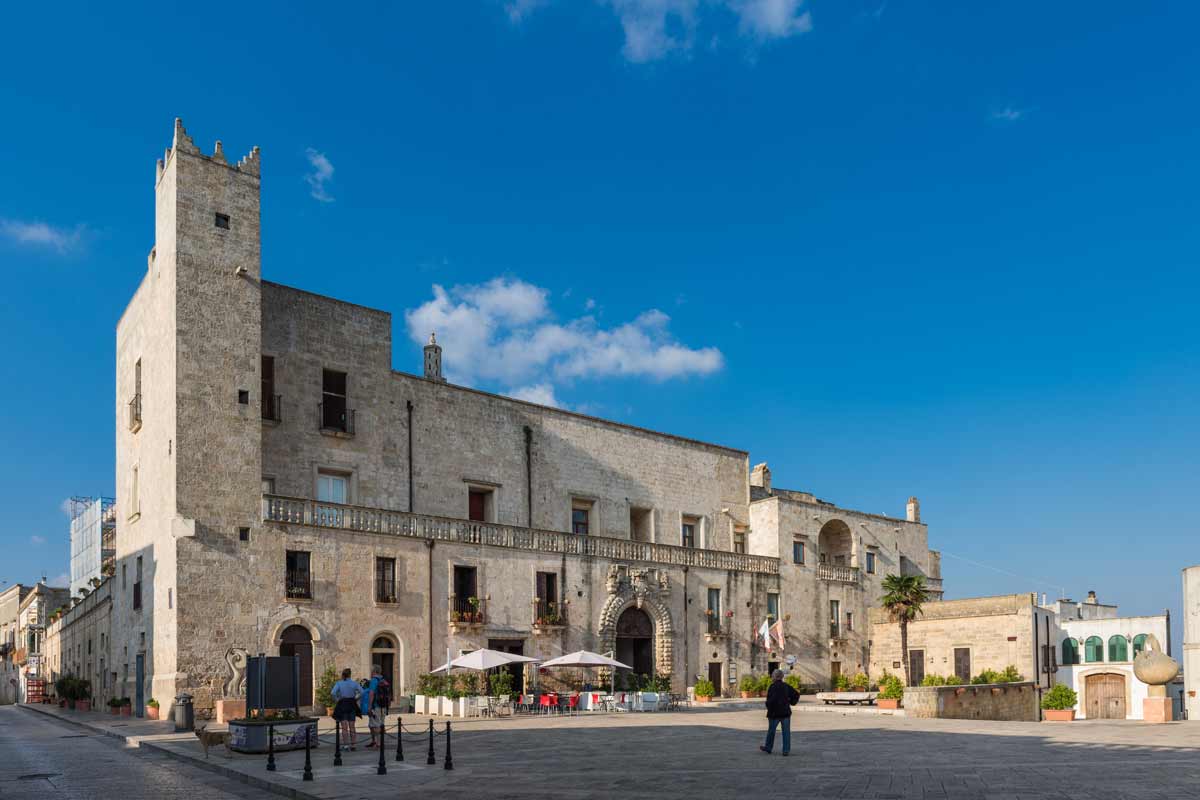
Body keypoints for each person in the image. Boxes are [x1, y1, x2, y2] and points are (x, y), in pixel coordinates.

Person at [759, 669, 799, 756]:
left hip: (774, 714)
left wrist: (769, 707)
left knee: (771, 731)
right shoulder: (786, 686)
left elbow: (770, 701)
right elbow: (796, 694)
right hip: (785, 713)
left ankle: (768, 748)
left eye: (772, 675)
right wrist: (791, 702)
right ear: (781, 677)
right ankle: (786, 750)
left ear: (775, 677)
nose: (771, 677)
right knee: (786, 732)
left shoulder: (772, 687)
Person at [331, 668, 362, 750]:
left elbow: (333, 693)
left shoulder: (339, 683)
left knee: (344, 726)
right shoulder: (354, 683)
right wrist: (356, 698)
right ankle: (354, 745)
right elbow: (362, 692)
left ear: (343, 674)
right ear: (350, 674)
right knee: (352, 726)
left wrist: (337, 700)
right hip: (352, 703)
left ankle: (346, 745)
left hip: (343, 703)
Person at [363, 664, 388, 748]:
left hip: (376, 706)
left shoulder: (374, 680)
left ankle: (378, 743)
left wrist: (369, 706)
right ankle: (374, 741)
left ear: (374, 671)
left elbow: (371, 694)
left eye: (371, 671)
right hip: (383, 706)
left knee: (376, 725)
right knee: (376, 724)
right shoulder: (383, 679)